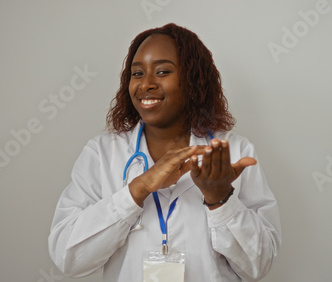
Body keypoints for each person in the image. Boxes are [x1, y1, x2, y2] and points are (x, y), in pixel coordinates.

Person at [48, 23, 281, 281]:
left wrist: (220, 199)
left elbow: (259, 265)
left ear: (193, 80)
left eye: (162, 71)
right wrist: (137, 190)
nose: (146, 84)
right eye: (137, 74)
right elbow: (67, 258)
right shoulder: (102, 153)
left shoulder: (234, 151)